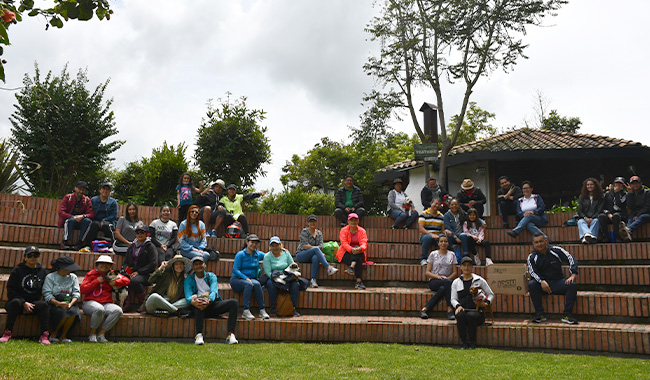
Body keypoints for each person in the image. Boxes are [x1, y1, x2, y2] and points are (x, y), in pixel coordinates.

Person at [0, 246, 50, 344]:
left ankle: (44, 334)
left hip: (33, 303)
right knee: (16, 302)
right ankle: (8, 332)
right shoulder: (17, 270)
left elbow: (44, 289)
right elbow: (11, 290)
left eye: (35, 255)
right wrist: (23, 302)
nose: (32, 257)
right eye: (29, 255)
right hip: (16, 302)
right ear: (25, 257)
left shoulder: (42, 271)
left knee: (44, 305)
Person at [527, 233, 579, 325]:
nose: (539, 244)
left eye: (541, 241)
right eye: (536, 242)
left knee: (572, 285)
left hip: (557, 282)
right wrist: (541, 281)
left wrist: (573, 274)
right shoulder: (532, 256)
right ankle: (540, 314)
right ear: (533, 244)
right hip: (542, 284)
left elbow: (571, 259)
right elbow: (532, 272)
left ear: (546, 241)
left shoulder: (556, 250)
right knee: (532, 284)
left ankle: (567, 315)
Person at [185, 256, 239, 345]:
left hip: (211, 305)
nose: (198, 266)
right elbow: (188, 295)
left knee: (234, 303)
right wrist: (193, 301)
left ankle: (230, 335)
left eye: (200, 264)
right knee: (199, 303)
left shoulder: (211, 276)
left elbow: (214, 291)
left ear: (204, 265)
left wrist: (209, 301)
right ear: (193, 267)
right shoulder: (189, 279)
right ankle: (199, 335)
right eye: (196, 264)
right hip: (198, 307)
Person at [80, 255, 130, 343]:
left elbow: (127, 280)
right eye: (102, 263)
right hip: (90, 302)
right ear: (97, 265)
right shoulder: (91, 274)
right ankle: (92, 334)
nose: (104, 265)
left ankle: (101, 334)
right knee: (99, 309)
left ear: (110, 266)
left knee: (117, 310)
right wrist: (96, 281)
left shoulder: (111, 274)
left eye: (107, 264)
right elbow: (83, 289)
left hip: (106, 303)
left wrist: (115, 282)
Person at [451, 256, 495, 349]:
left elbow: (491, 294)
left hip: (477, 312)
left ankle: (472, 342)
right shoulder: (456, 282)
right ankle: (463, 342)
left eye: (468, 266)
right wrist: (458, 306)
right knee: (460, 316)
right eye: (464, 265)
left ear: (472, 267)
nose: (466, 268)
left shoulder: (479, 280)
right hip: (463, 310)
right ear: (461, 267)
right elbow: (453, 299)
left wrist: (487, 303)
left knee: (471, 316)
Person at [42, 256, 82, 343]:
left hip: (69, 301)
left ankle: (64, 335)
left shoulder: (73, 277)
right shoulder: (50, 277)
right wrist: (59, 303)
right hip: (55, 302)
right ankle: (54, 333)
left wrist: (71, 304)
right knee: (62, 313)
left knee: (73, 312)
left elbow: (76, 293)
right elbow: (47, 294)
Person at [230, 234, 270, 320]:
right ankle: (246, 311)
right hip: (237, 280)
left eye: (256, 243)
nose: (254, 245)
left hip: (251, 279)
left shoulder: (257, 254)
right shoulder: (240, 254)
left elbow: (269, 255)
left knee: (257, 284)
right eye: (252, 242)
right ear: (247, 242)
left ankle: (262, 310)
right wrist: (245, 278)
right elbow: (235, 270)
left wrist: (282, 250)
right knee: (248, 284)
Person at [418, 235, 457, 321]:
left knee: (444, 288)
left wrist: (447, 279)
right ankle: (450, 309)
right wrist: (439, 277)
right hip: (434, 281)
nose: (443, 243)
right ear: (438, 243)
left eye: (445, 241)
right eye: (441, 241)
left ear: (448, 243)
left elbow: (455, 272)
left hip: (448, 281)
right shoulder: (433, 254)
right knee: (446, 284)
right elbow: (427, 272)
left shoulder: (452, 254)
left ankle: (425, 309)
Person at [295, 214, 338, 288]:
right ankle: (328, 267)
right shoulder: (304, 231)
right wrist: (317, 250)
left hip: (312, 256)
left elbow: (321, 246)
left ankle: (313, 280)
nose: (312, 223)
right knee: (316, 250)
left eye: (314, 221)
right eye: (310, 221)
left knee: (316, 257)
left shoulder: (319, 233)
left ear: (317, 222)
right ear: (308, 223)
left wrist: (317, 251)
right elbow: (305, 246)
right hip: (301, 255)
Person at [122, 224, 157, 312]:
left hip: (146, 274)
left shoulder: (150, 246)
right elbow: (126, 262)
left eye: (142, 232)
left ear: (146, 234)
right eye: (138, 232)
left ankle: (143, 303)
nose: (140, 234)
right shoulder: (131, 246)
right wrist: (127, 270)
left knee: (134, 281)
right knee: (121, 279)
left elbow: (153, 263)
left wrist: (139, 272)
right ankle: (127, 303)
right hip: (133, 272)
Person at [263, 236, 301, 317]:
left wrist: (291, 271)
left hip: (287, 276)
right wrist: (277, 279)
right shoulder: (267, 256)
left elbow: (292, 265)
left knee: (296, 284)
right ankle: (273, 309)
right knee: (270, 284)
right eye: (273, 245)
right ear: (270, 247)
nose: (275, 247)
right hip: (274, 277)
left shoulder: (286, 253)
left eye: (276, 245)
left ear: (280, 245)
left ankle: (293, 309)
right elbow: (268, 272)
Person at [57, 181, 95, 250]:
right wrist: (72, 217)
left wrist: (83, 216)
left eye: (83, 190)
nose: (81, 191)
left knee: (88, 221)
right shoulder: (68, 197)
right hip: (69, 220)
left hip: (80, 221)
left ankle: (80, 243)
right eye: (79, 189)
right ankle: (65, 242)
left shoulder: (87, 200)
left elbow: (91, 214)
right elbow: (61, 212)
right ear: (75, 188)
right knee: (70, 221)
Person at [336, 213, 368, 290]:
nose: (353, 222)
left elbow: (364, 242)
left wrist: (360, 249)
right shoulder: (343, 230)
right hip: (345, 253)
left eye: (355, 220)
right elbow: (344, 243)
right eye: (351, 220)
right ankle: (359, 282)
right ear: (348, 221)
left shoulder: (362, 231)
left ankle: (351, 267)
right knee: (358, 259)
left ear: (358, 221)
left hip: (359, 251)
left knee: (357, 251)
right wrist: (352, 249)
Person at [83, 182, 118, 248]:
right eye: (103, 189)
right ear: (100, 190)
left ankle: (111, 246)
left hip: (108, 221)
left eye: (107, 189)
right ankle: (89, 245)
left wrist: (104, 220)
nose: (105, 191)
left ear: (109, 192)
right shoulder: (94, 200)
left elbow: (114, 215)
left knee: (106, 226)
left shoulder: (113, 202)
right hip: (95, 220)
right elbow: (89, 211)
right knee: (94, 224)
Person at [418, 198, 451, 266]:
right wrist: (431, 234)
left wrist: (446, 231)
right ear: (431, 203)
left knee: (446, 237)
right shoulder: (423, 214)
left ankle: (446, 258)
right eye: (435, 203)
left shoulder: (441, 216)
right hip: (426, 236)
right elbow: (421, 229)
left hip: (437, 237)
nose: (437, 206)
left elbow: (442, 230)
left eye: (439, 204)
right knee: (427, 238)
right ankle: (423, 259)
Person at [598, 177, 630, 242]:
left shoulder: (625, 195)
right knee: (601, 216)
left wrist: (617, 193)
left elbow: (620, 204)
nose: (618, 185)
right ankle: (606, 237)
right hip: (609, 214)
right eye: (616, 183)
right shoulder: (607, 194)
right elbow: (603, 207)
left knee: (616, 215)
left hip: (620, 215)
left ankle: (617, 237)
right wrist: (608, 213)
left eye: (620, 184)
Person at [576, 177, 604, 244]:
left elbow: (600, 210)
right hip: (584, 218)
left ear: (595, 186)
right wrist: (585, 217)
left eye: (591, 184)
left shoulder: (600, 197)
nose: (589, 186)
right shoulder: (582, 197)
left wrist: (592, 218)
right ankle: (589, 236)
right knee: (580, 222)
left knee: (596, 221)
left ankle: (586, 238)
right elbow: (580, 210)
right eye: (588, 185)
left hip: (594, 218)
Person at [625, 176, 650, 240]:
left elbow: (647, 207)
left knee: (642, 217)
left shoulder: (647, 192)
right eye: (633, 184)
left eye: (637, 183)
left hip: (646, 213)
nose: (635, 185)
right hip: (634, 214)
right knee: (630, 219)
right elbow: (630, 206)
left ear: (641, 183)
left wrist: (638, 215)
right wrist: (630, 194)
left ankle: (628, 230)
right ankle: (627, 237)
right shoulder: (629, 194)